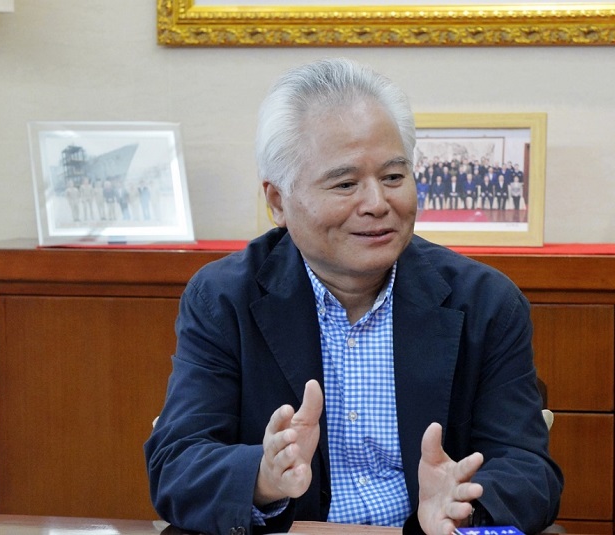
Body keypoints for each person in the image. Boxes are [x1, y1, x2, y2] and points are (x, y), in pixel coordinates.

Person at [144, 58, 563, 535]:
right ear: (278, 201)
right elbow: (176, 465)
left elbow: (529, 471)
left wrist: (463, 506)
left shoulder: (485, 303)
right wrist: (262, 477)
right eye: (345, 184)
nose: (377, 204)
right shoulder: (224, 299)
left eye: (393, 177)